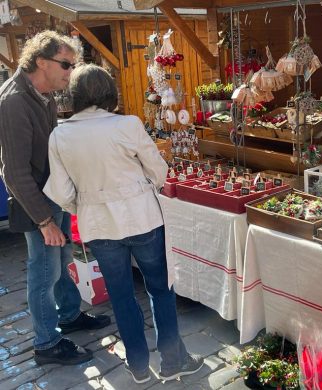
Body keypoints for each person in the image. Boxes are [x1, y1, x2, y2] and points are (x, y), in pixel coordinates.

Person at [43, 64, 204, 384]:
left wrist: (86, 204)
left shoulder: (60, 135)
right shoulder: (127, 124)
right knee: (160, 289)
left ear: (75, 96)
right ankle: (173, 360)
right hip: (141, 216)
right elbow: (158, 170)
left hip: (99, 225)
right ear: (108, 91)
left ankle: (139, 365)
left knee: (121, 296)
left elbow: (61, 192)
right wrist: (142, 190)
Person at [0, 31, 110, 366]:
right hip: (38, 205)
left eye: (73, 65)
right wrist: (44, 221)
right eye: (65, 64)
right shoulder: (14, 101)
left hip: (54, 197)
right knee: (43, 271)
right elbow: (14, 173)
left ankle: (69, 315)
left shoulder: (42, 94)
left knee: (61, 262)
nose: (70, 72)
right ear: (41, 61)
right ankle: (46, 343)